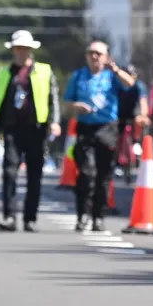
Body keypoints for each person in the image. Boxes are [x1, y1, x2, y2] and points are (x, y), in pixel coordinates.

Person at [0, 30, 61, 233]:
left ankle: (30, 218)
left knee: (34, 175)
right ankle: (10, 216)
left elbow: (52, 98)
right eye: (18, 48)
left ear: (30, 50)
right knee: (9, 172)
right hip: (12, 129)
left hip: (36, 129)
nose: (21, 52)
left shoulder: (44, 71)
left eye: (25, 49)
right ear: (13, 50)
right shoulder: (4, 73)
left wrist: (54, 122)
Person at [63, 41, 136, 232]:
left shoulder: (111, 76)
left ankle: (98, 216)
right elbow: (68, 101)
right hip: (86, 127)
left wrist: (116, 70)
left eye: (98, 53)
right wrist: (76, 106)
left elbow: (130, 84)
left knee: (104, 176)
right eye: (91, 53)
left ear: (106, 56)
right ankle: (82, 215)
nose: (94, 57)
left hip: (107, 128)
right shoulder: (79, 76)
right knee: (86, 173)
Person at [116, 64, 149, 182]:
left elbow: (143, 101)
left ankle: (137, 146)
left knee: (139, 133)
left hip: (135, 115)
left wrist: (144, 115)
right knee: (117, 138)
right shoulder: (119, 86)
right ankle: (117, 161)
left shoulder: (139, 86)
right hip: (120, 116)